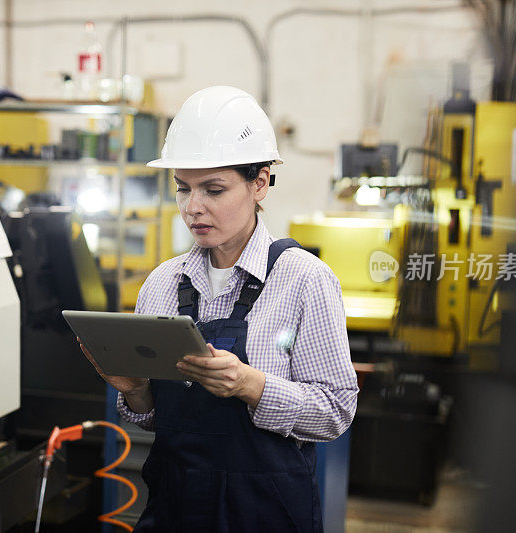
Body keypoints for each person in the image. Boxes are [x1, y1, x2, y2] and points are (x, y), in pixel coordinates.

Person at [80, 86, 358, 532]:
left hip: (265, 513)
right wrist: (134, 391)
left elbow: (335, 411)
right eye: (183, 189)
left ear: (260, 181)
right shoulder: (162, 285)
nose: (193, 208)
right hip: (174, 509)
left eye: (213, 189)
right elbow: (153, 417)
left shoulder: (304, 281)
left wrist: (252, 386)